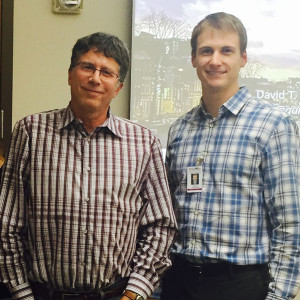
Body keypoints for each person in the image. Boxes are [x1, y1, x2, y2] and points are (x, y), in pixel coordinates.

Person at [0, 32, 177, 300]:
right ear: (70, 75)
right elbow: (7, 223)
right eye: (87, 67)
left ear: (118, 87)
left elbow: (161, 225)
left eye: (107, 72)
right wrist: (21, 293)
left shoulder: (144, 143)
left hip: (117, 294)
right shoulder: (31, 132)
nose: (95, 78)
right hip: (43, 294)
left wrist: (135, 292)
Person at [162, 12, 300, 300]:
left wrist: (278, 297)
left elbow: (290, 225)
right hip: (179, 281)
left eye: (226, 51)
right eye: (206, 51)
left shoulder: (273, 126)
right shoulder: (179, 130)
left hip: (242, 284)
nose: (215, 60)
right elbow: (169, 215)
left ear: (243, 58)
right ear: (193, 59)